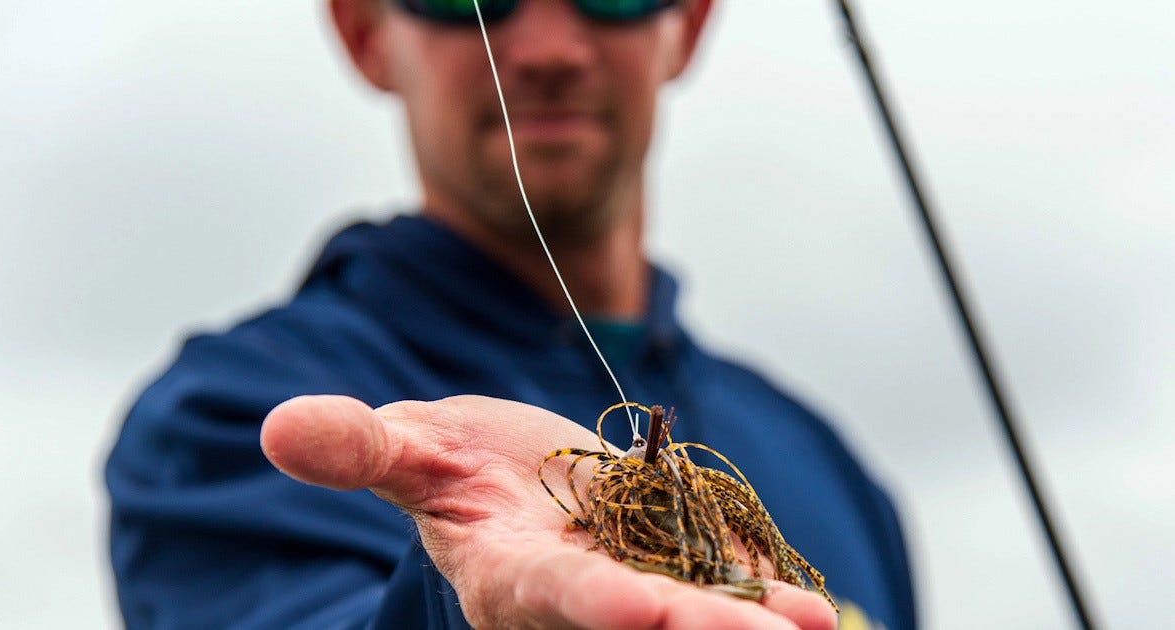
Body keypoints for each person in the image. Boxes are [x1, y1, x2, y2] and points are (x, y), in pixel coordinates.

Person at [105, 0, 916, 628]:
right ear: (365, 32)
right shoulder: (228, 419)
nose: (548, 50)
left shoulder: (830, 467)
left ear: (690, 21)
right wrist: (462, 608)